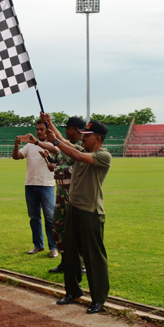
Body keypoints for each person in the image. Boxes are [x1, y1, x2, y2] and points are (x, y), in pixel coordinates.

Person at [38, 114, 112, 314]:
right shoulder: (82, 149)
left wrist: (55, 141)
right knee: (70, 253)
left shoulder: (103, 155)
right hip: (73, 208)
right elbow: (65, 143)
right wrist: (49, 123)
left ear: (97, 138)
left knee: (93, 256)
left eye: (87, 135)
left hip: (91, 212)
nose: (83, 137)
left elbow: (76, 154)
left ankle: (98, 298)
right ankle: (72, 291)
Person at [45, 117, 86, 275]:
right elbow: (61, 157)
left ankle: (81, 264)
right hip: (61, 193)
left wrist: (56, 169)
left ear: (76, 130)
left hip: (74, 195)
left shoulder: (82, 148)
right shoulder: (65, 148)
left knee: (76, 230)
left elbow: (76, 169)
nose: (65, 131)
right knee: (59, 229)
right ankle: (65, 261)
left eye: (68, 128)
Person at [12, 122, 57, 257]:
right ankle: (38, 245)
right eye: (37, 129)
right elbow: (17, 156)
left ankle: (53, 247)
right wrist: (16, 145)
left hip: (47, 185)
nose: (38, 132)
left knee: (50, 218)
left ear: (47, 131)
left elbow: (55, 151)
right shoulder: (30, 145)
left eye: (42, 129)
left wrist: (38, 144)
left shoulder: (52, 143)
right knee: (34, 217)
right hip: (30, 184)